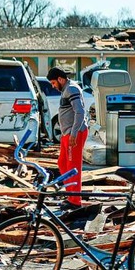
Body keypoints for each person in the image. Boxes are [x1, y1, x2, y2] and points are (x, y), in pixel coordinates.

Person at [47, 67, 88, 209]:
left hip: (74, 134)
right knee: (63, 164)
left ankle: (75, 201)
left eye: (53, 83)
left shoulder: (71, 89)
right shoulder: (66, 89)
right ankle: (71, 196)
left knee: (73, 167)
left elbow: (80, 112)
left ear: (60, 79)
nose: (53, 86)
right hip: (68, 133)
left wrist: (74, 133)